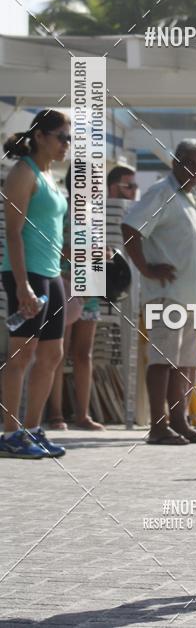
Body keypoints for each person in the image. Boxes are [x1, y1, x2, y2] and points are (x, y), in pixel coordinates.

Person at [121, 140, 196, 445]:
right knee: (163, 361)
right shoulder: (162, 191)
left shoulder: (192, 197)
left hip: (192, 297)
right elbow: (130, 227)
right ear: (175, 162)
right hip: (167, 294)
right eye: (190, 162)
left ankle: (180, 422)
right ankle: (158, 426)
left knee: (185, 362)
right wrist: (145, 268)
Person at [0, 110, 71, 459]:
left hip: (51, 272)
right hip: (25, 273)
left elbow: (53, 231)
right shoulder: (23, 173)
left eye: (69, 139)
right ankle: (11, 433)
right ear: (40, 136)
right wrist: (22, 285)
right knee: (21, 352)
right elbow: (13, 233)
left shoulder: (51, 176)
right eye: (61, 137)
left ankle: (33, 428)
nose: (66, 145)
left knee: (52, 353)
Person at [47, 166, 104, 431]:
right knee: (59, 352)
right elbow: (55, 246)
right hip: (64, 285)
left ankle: (82, 415)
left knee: (83, 354)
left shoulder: (95, 216)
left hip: (90, 288)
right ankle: (56, 414)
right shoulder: (61, 208)